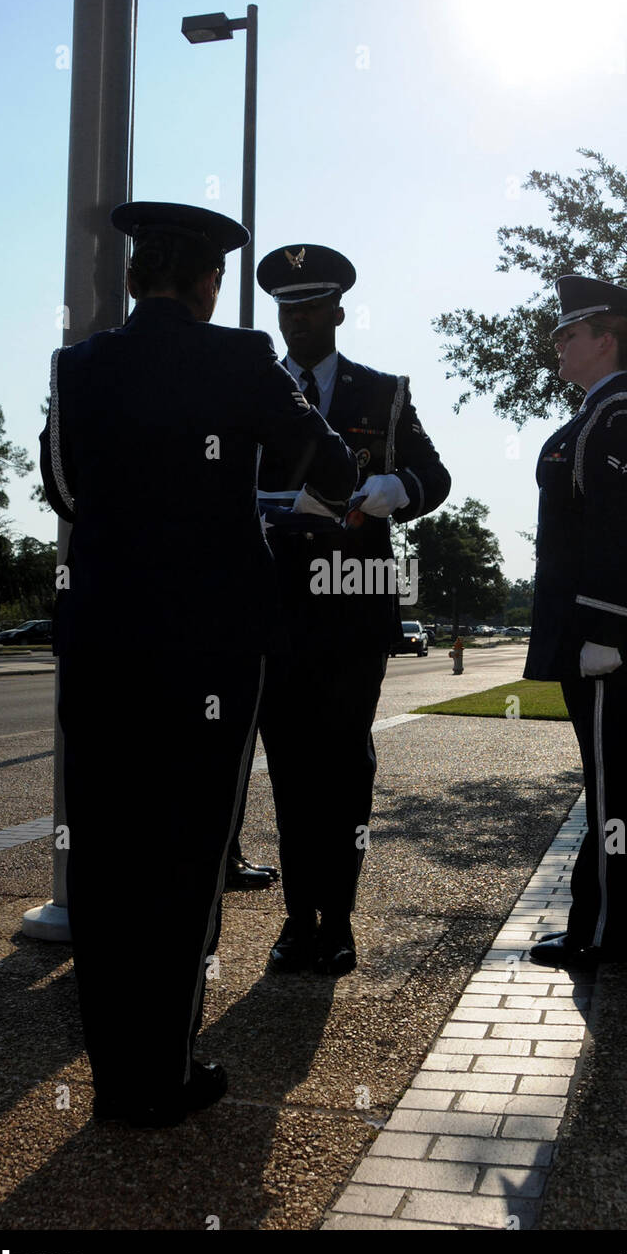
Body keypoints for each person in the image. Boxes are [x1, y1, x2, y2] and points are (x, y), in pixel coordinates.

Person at [40, 203, 357, 1127]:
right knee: (185, 852)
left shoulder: (80, 365)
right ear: (210, 281)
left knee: (103, 854)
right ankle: (164, 1072)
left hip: (102, 635)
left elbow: (61, 484)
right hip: (212, 646)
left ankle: (114, 1078)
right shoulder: (241, 359)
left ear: (139, 276)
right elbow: (327, 464)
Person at [243, 243, 451, 976]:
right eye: (286, 308)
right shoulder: (252, 386)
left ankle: (339, 920)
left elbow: (435, 474)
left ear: (337, 310)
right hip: (273, 606)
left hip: (354, 605)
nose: (297, 319)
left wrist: (399, 488)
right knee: (291, 769)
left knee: (344, 763)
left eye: (311, 306)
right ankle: (299, 919)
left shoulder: (381, 392)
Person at [524, 274, 627, 969]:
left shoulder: (620, 418)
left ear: (605, 339)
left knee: (615, 784)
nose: (557, 345)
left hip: (603, 641)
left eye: (569, 334)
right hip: (593, 636)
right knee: (615, 781)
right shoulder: (600, 414)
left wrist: (603, 632)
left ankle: (607, 929)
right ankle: (623, 920)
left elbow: (621, 535)